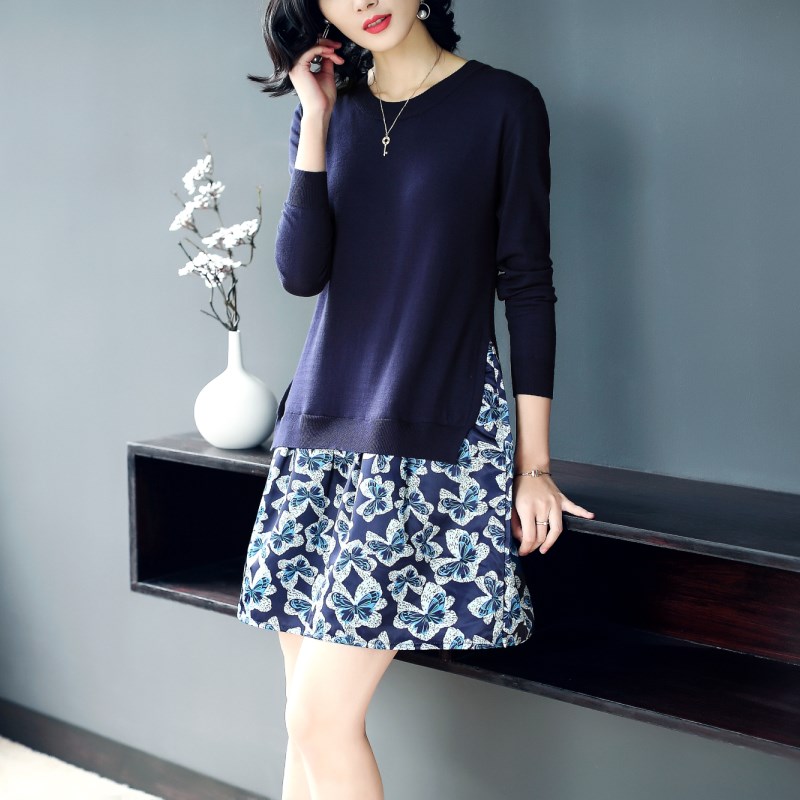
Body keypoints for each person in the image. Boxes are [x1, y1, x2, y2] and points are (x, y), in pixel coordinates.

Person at [237, 1, 595, 797]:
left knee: (318, 723)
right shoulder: (327, 113)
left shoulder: (503, 103)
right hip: (319, 429)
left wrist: (533, 465)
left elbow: (527, 285)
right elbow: (300, 272)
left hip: (434, 426)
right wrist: (316, 118)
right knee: (302, 720)